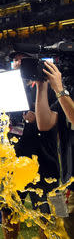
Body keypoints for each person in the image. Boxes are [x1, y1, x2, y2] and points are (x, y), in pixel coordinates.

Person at [1, 52, 59, 239]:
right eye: (15, 60)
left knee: (46, 211)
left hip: (43, 159)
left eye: (21, 59)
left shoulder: (47, 85)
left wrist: (37, 118)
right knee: (9, 208)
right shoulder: (7, 88)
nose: (17, 63)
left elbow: (57, 119)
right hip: (14, 158)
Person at [35, 60, 74, 238]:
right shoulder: (67, 95)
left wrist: (59, 88)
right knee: (64, 230)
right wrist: (41, 88)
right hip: (67, 183)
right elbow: (44, 123)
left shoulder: (64, 93)